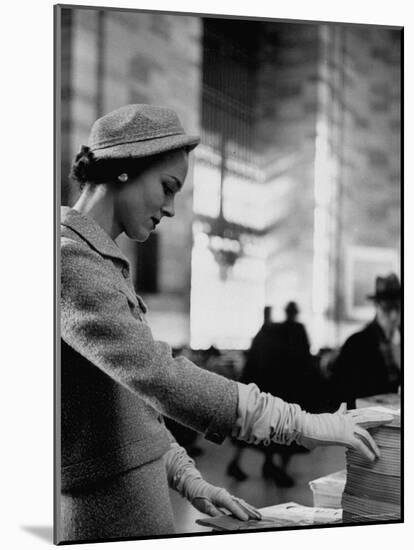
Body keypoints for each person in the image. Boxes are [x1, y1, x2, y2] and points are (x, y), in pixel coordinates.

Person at [59, 104, 389, 542]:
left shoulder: (100, 260)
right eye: (168, 186)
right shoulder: (68, 258)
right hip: (103, 517)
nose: (172, 208)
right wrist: (301, 423)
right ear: (126, 169)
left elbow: (127, 402)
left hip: (134, 504)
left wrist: (189, 478)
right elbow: (159, 376)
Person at [226, 304, 313, 487]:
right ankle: (274, 467)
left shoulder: (274, 330)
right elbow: (301, 359)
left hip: (272, 386)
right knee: (280, 429)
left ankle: (265, 465)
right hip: (283, 387)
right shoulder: (290, 330)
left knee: (264, 427)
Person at [331, 273, 401, 409]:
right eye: (387, 308)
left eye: (398, 308)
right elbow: (342, 395)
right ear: (377, 307)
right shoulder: (357, 344)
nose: (393, 316)